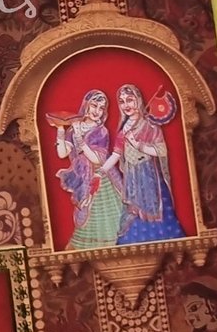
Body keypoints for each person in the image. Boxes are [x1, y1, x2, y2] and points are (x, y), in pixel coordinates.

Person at [51, 89, 125, 247]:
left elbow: (97, 159)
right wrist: (60, 129)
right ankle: (88, 246)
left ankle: (111, 245)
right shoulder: (73, 129)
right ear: (86, 105)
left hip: (100, 178)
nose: (97, 111)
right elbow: (62, 153)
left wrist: (80, 140)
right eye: (94, 105)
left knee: (103, 212)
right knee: (86, 210)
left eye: (101, 108)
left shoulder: (101, 131)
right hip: (82, 176)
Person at [113, 82, 185, 243]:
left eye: (130, 100)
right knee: (132, 212)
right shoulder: (123, 129)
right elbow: (117, 154)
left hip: (149, 177)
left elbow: (161, 151)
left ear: (138, 100)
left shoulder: (151, 127)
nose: (126, 105)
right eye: (122, 102)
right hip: (132, 178)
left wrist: (138, 145)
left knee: (156, 213)